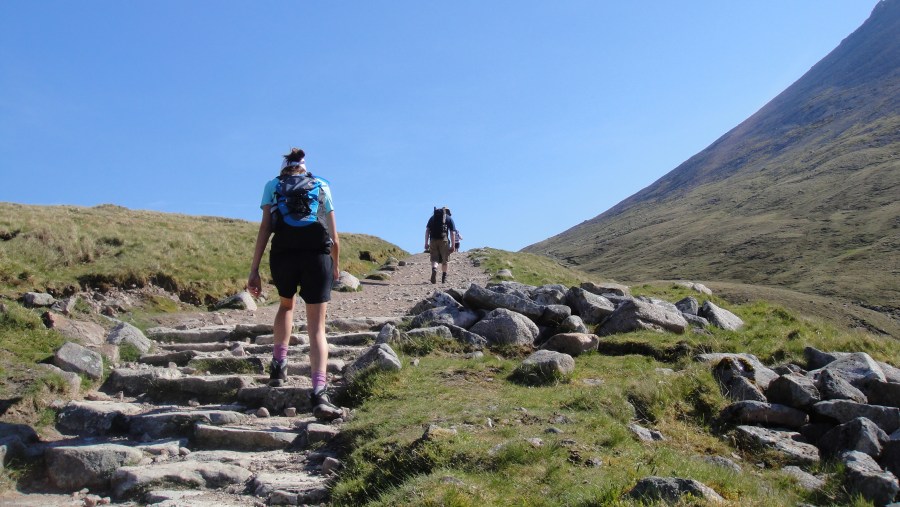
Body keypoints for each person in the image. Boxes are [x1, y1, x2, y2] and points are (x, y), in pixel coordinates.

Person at [247, 147, 342, 420]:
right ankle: (319, 392)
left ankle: (278, 365)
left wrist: (254, 270)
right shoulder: (321, 185)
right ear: (304, 167)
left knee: (286, 306)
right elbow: (334, 237)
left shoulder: (272, 185)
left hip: (283, 254)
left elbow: (265, 227)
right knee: (317, 329)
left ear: (284, 167)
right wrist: (335, 264)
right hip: (317, 257)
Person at [424, 206, 457, 284]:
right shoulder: (449, 219)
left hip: (433, 240)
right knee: (445, 260)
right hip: (444, 240)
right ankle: (444, 277)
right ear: (447, 212)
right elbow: (452, 232)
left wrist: (426, 242)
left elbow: (427, 231)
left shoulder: (432, 218)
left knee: (434, 258)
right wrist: (453, 245)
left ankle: (434, 269)